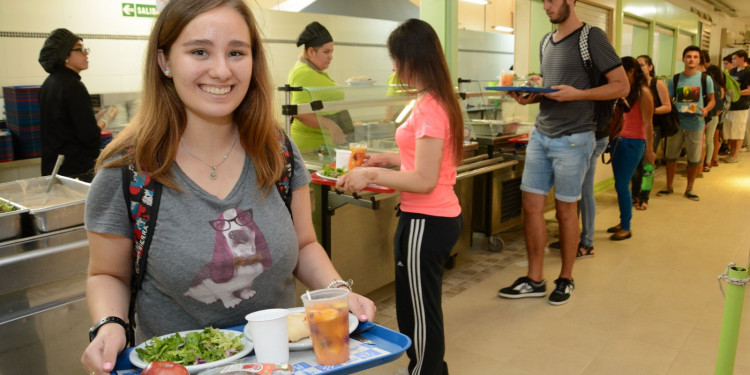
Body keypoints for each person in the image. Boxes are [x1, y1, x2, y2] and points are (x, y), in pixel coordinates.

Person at [79, 1, 375, 374]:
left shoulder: (278, 152)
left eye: (237, 52)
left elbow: (304, 244)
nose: (221, 70)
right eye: (199, 51)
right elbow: (108, 273)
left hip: (278, 364)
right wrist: (110, 323)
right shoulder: (127, 170)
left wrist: (337, 292)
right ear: (164, 61)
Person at [336, 18, 464, 375]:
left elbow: (424, 180)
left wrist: (371, 173)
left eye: (396, 58)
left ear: (414, 58)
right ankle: (428, 366)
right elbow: (428, 163)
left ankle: (425, 370)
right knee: (417, 305)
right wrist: (387, 159)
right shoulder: (435, 100)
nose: (393, 67)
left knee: (419, 311)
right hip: (435, 217)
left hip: (427, 220)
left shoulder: (430, 109)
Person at [497, 0, 628, 305]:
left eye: (552, 0)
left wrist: (579, 95)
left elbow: (621, 86)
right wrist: (530, 97)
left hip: (575, 138)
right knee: (531, 207)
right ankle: (534, 279)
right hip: (541, 134)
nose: (547, 6)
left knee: (566, 210)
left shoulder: (592, 37)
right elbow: (552, 89)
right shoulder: (546, 41)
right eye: (543, 1)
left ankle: (566, 278)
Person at [38, 28, 103, 182]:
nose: (86, 53)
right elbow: (89, 136)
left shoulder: (49, 83)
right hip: (76, 171)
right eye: (80, 49)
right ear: (65, 56)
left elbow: (63, 126)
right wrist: (103, 122)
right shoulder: (73, 86)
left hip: (54, 170)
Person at [655, 46, 714, 201]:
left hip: (696, 123)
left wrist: (706, 109)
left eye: (695, 57)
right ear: (683, 59)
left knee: (694, 158)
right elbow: (667, 100)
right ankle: (669, 186)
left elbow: (712, 100)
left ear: (699, 60)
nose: (691, 59)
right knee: (670, 156)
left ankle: (690, 188)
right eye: (688, 56)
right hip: (676, 124)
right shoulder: (674, 79)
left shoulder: (705, 79)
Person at [607, 57, 655, 240]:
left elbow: (648, 124)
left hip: (634, 143)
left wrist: (649, 150)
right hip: (618, 141)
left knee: (621, 184)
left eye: (622, 71)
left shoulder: (643, 92)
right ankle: (623, 221)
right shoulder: (625, 91)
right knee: (620, 185)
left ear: (631, 71)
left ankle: (626, 227)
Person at [286, 22, 350, 151]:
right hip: (311, 148)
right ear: (311, 51)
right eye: (326, 52)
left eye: (331, 52)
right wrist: (332, 125)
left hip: (323, 146)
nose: (330, 57)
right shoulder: (303, 73)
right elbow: (299, 112)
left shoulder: (313, 71)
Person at [630, 55, 671, 211]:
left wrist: (650, 111)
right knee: (635, 165)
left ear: (650, 67)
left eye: (642, 64)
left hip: (654, 129)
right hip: (635, 130)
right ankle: (635, 194)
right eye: (637, 65)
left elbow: (667, 106)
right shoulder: (633, 86)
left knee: (648, 164)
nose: (639, 68)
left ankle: (644, 196)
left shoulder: (657, 84)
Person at [721, 50, 750, 163]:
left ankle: (735, 155)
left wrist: (737, 93)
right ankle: (731, 152)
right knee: (730, 131)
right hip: (730, 105)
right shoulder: (732, 71)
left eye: (735, 59)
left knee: (738, 130)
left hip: (741, 106)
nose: (733, 61)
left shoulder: (748, 72)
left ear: (742, 58)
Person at [704, 65, 727, 171]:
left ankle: (707, 161)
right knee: (710, 139)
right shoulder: (720, 87)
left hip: (712, 116)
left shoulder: (714, 86)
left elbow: (718, 105)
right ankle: (708, 161)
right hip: (715, 116)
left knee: (708, 139)